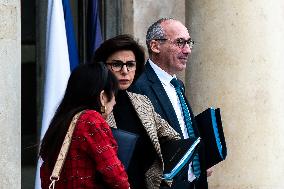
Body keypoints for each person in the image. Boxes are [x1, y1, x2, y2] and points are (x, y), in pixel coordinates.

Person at [130, 18, 211, 189]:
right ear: (155, 46)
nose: (187, 50)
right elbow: (140, 149)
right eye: (180, 42)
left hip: (193, 182)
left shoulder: (177, 85)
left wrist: (200, 159)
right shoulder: (138, 87)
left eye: (189, 43)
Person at [93, 34, 180, 189]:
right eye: (116, 64)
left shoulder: (142, 102)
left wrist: (165, 177)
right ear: (102, 67)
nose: (125, 71)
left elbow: (173, 138)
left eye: (130, 64)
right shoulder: (92, 106)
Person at [39, 63, 130, 189]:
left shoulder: (61, 123)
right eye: (114, 93)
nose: (114, 101)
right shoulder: (90, 120)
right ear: (103, 96)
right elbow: (116, 176)